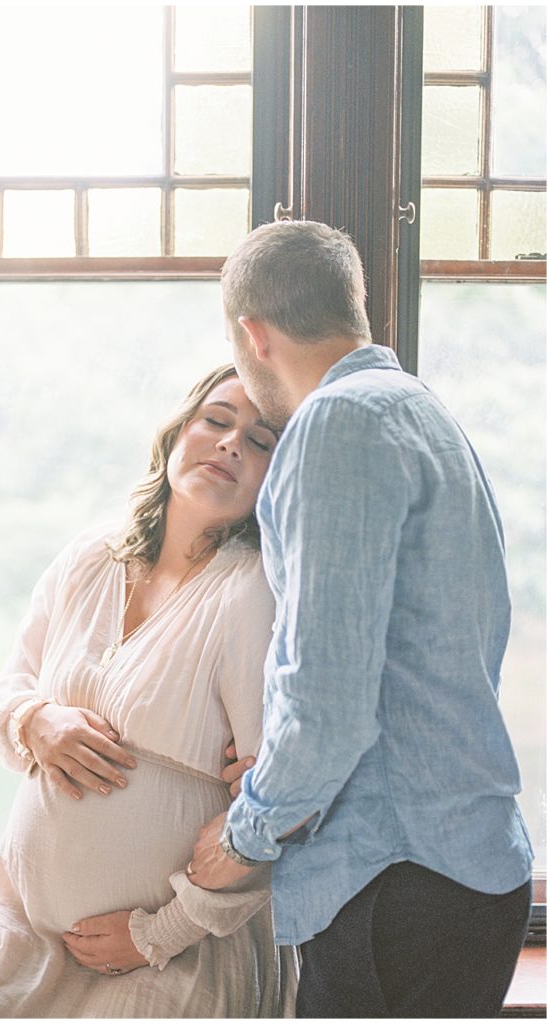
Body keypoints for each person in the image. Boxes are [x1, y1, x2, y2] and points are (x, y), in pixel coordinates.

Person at [187, 220, 534, 1018]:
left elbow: (328, 695)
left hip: (394, 881)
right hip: (460, 869)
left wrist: (247, 835)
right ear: (354, 307)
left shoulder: (336, 426)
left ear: (252, 333)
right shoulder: (421, 414)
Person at [0, 364, 296, 1019]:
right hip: (17, 931)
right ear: (177, 433)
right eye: (216, 421)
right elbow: (5, 687)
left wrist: (155, 934)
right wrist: (33, 719)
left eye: (259, 441)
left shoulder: (249, 592)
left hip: (171, 951)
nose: (229, 444)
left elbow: (272, 812)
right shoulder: (90, 556)